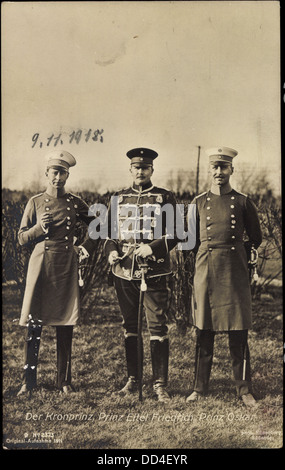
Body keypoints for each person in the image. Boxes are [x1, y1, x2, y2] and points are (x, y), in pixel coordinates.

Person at [186, 147, 262, 407]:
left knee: (238, 331)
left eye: (224, 167)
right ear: (210, 170)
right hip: (206, 268)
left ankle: (244, 390)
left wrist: (246, 256)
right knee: (204, 330)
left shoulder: (242, 201)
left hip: (234, 270)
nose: (219, 172)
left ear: (232, 169)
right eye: (215, 167)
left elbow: (256, 237)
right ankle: (199, 388)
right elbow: (191, 241)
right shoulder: (198, 202)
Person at [105, 147, 180, 402]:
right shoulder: (118, 198)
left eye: (145, 167)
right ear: (130, 169)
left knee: (157, 326)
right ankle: (133, 378)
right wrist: (111, 252)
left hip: (155, 271)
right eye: (136, 167)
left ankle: (160, 384)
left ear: (152, 170)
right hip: (124, 272)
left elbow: (178, 233)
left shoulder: (164, 197)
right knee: (130, 327)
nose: (140, 171)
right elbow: (109, 234)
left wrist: (153, 246)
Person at [17, 150, 92, 396]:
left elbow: (98, 226)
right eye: (54, 172)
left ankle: (64, 381)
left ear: (68, 175)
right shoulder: (35, 202)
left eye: (63, 173)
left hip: (65, 266)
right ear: (46, 174)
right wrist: (39, 228)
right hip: (41, 266)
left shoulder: (75, 202)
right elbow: (21, 238)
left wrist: (84, 247)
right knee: (34, 323)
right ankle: (29, 381)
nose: (58, 178)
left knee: (65, 323)